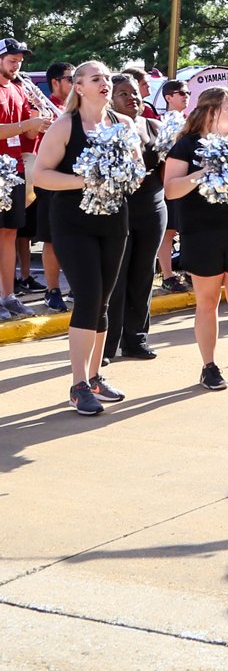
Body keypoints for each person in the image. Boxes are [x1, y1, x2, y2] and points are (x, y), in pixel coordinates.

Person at [32, 61, 136, 414]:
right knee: (88, 297)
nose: (105, 83)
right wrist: (86, 181)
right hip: (72, 222)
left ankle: (95, 376)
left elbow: (135, 168)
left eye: (107, 77)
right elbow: (42, 176)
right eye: (97, 79)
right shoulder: (65, 126)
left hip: (113, 219)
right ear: (79, 87)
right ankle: (77, 385)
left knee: (104, 300)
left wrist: (129, 173)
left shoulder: (123, 125)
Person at [163, 87, 228, 389]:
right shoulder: (186, 146)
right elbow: (171, 189)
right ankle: (209, 366)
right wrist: (204, 172)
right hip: (201, 231)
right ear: (211, 111)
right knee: (207, 303)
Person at [103, 74, 166, 361]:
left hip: (153, 208)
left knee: (143, 275)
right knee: (116, 277)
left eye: (135, 93)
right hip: (119, 210)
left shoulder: (155, 125)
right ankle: (107, 343)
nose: (132, 98)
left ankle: (136, 339)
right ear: (110, 100)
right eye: (123, 94)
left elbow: (168, 170)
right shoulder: (106, 127)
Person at [0, 37, 52, 321]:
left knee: (10, 234)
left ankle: (8, 295)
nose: (17, 64)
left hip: (13, 169)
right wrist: (27, 124)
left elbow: (27, 136)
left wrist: (38, 121)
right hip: (1, 170)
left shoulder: (18, 90)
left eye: (20, 60)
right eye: (11, 59)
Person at [34, 59, 74, 312]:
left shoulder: (79, 109)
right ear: (55, 83)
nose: (74, 84)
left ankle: (76, 287)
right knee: (51, 239)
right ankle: (52, 290)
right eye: (71, 79)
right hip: (51, 180)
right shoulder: (46, 108)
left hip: (74, 180)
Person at [155, 78, 192, 295]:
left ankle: (187, 269)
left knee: (183, 228)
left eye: (187, 93)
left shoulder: (186, 120)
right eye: (181, 93)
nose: (185, 96)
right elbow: (164, 152)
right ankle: (168, 275)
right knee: (169, 231)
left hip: (185, 181)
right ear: (169, 97)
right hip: (171, 181)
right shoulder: (168, 121)